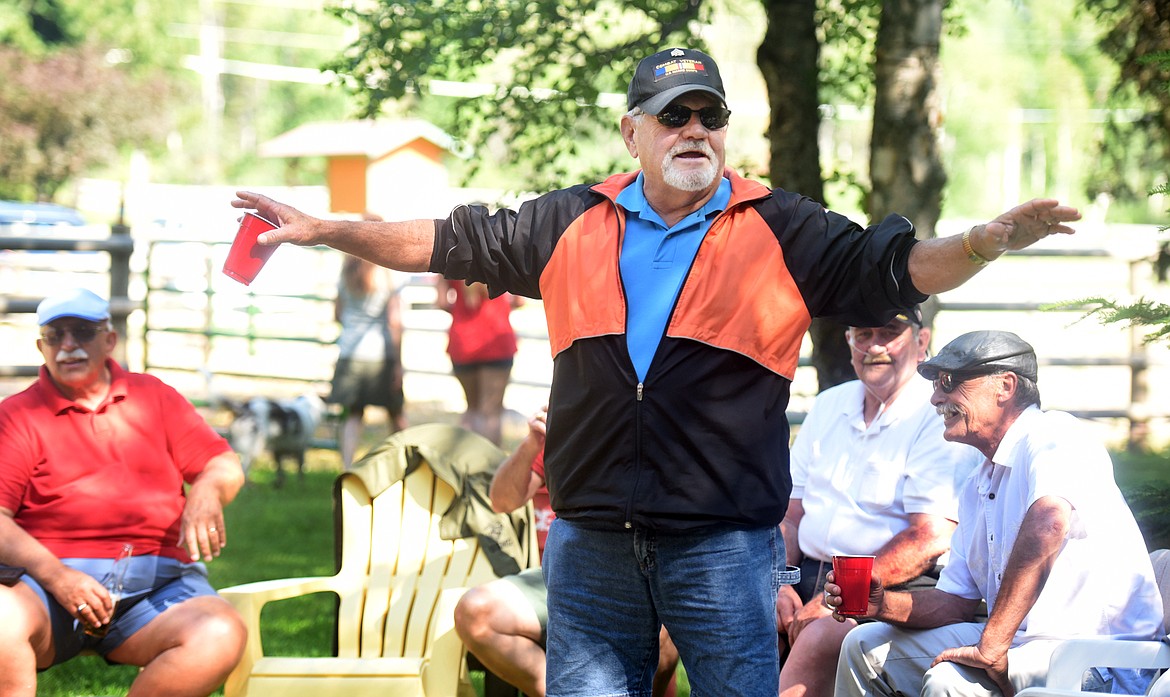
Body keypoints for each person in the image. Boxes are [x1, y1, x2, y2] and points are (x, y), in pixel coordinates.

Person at [231, 45, 1082, 696]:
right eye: (674, 116)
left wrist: (981, 243)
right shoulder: (572, 220)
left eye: (709, 116)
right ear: (632, 131)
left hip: (722, 544)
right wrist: (326, 227)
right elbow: (445, 239)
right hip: (593, 539)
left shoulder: (780, 226)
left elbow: (894, 269)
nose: (694, 132)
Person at [830, 330, 1163, 697]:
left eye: (949, 382)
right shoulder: (978, 482)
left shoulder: (1054, 435)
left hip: (1096, 657)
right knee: (863, 645)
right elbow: (954, 602)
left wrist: (992, 643)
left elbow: (1049, 523)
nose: (936, 397)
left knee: (949, 683)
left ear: (1005, 386)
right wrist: (883, 604)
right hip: (1020, 643)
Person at [0, 288, 247, 696]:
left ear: (109, 340)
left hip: (158, 583)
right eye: (55, 336)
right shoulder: (17, 416)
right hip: (44, 581)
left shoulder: (155, 397)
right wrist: (59, 577)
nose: (68, 346)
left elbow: (222, 463)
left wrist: (206, 490)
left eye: (82, 332)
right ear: (41, 346)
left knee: (218, 631)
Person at [777, 307, 984, 697]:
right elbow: (790, 515)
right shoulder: (828, 404)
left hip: (896, 587)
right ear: (849, 342)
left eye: (890, 332)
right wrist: (776, 583)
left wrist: (832, 598)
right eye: (864, 333)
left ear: (922, 342)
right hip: (806, 572)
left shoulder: (936, 413)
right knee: (739, 618)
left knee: (823, 634)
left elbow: (929, 537)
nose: (876, 346)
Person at [454, 406, 681, 697]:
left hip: (635, 572)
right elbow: (501, 500)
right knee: (476, 612)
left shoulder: (645, 422)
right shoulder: (571, 422)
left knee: (661, 623)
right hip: (558, 577)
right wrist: (534, 443)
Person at [330, 221, 408, 468]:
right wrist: (398, 363)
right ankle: (404, 465)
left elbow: (338, 314)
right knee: (396, 414)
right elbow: (395, 322)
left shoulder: (345, 273)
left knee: (353, 414)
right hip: (380, 355)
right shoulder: (386, 274)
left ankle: (346, 467)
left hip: (350, 352)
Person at [434, 277, 522, 446]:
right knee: (491, 413)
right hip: (496, 337)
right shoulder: (500, 254)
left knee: (471, 410)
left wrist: (461, 307)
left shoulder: (449, 255)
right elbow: (519, 300)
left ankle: (467, 465)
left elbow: (441, 301)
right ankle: (490, 468)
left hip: (463, 341)